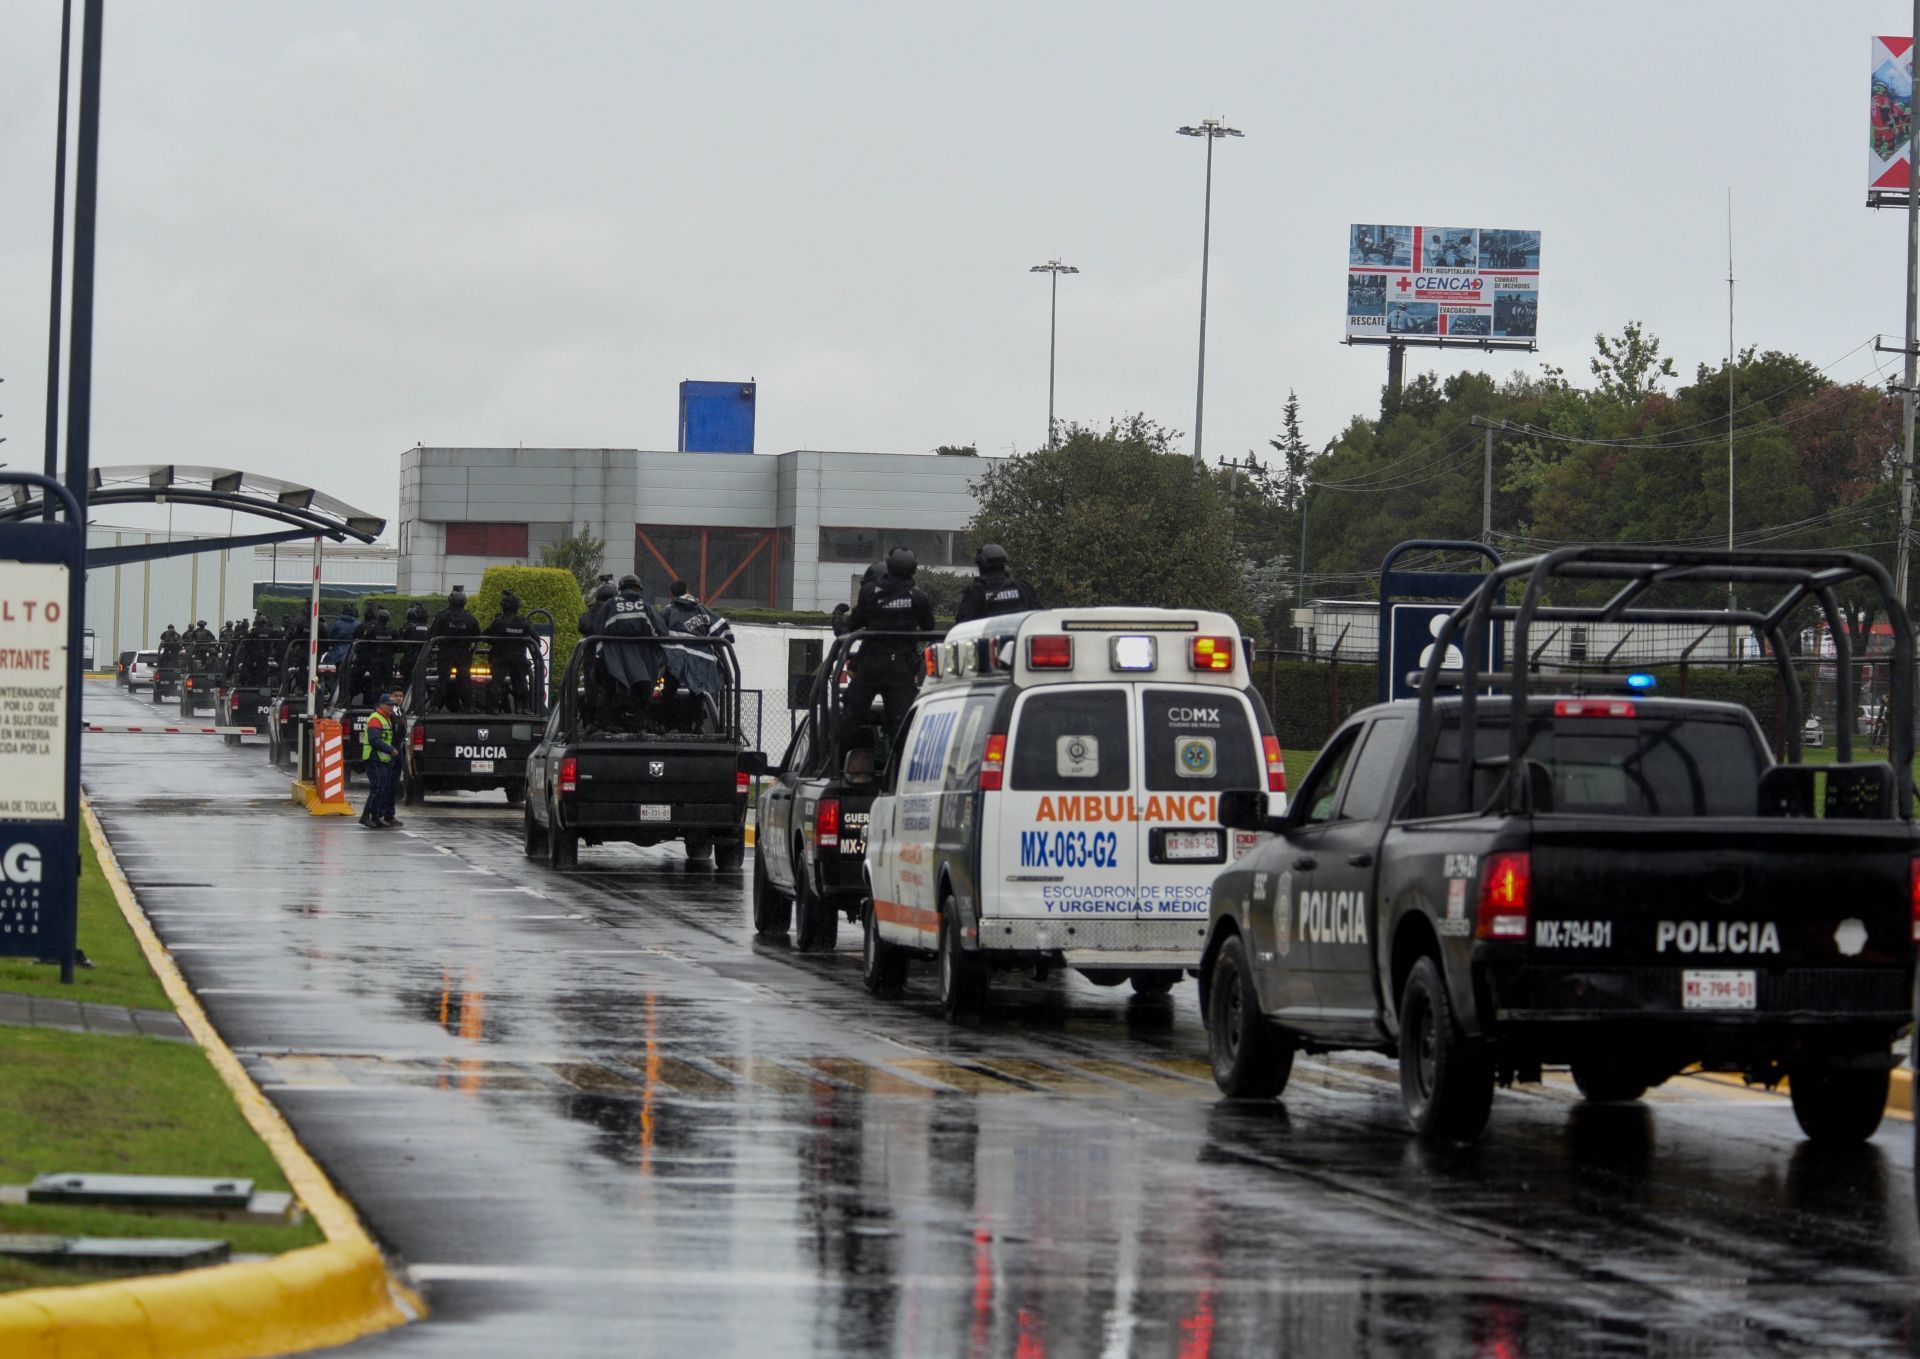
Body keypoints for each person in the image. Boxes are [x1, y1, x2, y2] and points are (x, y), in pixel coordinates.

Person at [839, 546, 933, 742]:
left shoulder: (868, 593)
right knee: (904, 726)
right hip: (901, 668)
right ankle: (898, 764)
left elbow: (853, 624)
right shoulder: (919, 597)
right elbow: (929, 626)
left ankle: (842, 757)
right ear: (913, 568)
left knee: (851, 716)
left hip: (870, 666)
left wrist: (837, 618)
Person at [594, 574, 665, 730]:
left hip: (612, 661)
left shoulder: (609, 605)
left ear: (620, 589)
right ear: (638, 589)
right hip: (642, 663)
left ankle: (606, 724)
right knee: (643, 692)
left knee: (609, 691)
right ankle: (639, 725)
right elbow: (659, 632)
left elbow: (598, 631)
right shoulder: (645, 606)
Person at [954, 544, 1041, 623]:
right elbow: (1040, 617)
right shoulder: (1023, 588)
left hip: (989, 639)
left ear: (981, 565)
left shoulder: (975, 592)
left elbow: (962, 625)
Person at [428, 587, 481, 712]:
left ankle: (434, 706)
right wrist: (473, 650)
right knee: (464, 679)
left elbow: (432, 635)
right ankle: (469, 707)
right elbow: (478, 636)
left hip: (445, 652)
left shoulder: (442, 616)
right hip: (464, 653)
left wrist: (433, 650)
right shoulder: (470, 618)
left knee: (443, 679)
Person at [359, 690, 403, 829]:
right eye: (389, 705)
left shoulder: (386, 718)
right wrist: (390, 750)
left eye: (392, 705)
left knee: (383, 787)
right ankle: (366, 816)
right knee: (377, 787)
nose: (391, 707)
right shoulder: (375, 718)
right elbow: (374, 740)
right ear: (381, 705)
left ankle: (376, 816)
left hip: (382, 759)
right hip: (373, 757)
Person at [488, 589, 535, 712]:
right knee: (521, 681)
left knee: (496, 681)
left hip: (500, 658)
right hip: (518, 658)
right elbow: (536, 639)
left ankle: (494, 708)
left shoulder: (498, 621)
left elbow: (487, 636)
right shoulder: (524, 622)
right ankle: (524, 708)